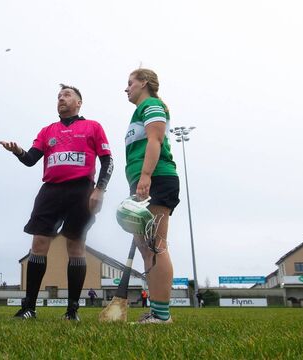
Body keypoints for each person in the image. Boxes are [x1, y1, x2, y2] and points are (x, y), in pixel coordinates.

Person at [0, 84, 114, 321]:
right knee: (39, 242)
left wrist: (100, 190)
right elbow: (31, 159)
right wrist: (18, 151)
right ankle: (29, 307)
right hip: (50, 191)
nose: (61, 99)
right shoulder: (47, 130)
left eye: (67, 95)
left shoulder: (93, 127)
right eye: (59, 96)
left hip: (81, 191)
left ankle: (72, 311)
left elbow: (107, 161)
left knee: (75, 246)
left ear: (79, 102)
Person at [124, 68, 180, 324]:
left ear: (144, 83)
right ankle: (156, 312)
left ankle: (161, 315)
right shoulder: (139, 111)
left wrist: (146, 175)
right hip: (143, 182)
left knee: (157, 245)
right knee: (146, 247)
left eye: (130, 83)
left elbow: (155, 139)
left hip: (156, 178)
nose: (126, 89)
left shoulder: (152, 105)